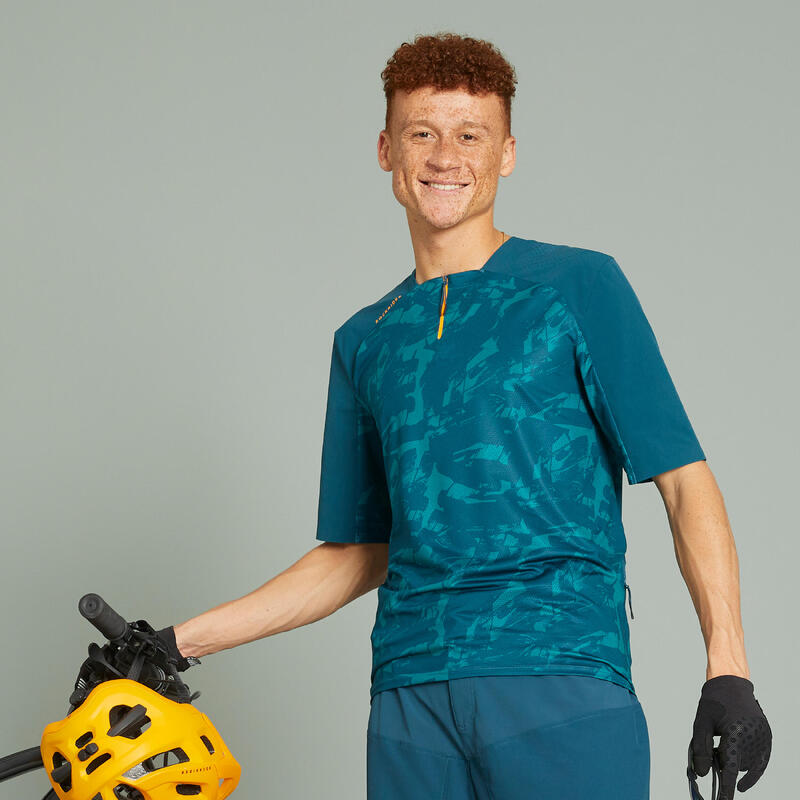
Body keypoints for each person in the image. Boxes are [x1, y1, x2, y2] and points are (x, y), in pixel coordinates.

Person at [145, 33, 771, 800]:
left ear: (507, 153)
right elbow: (359, 553)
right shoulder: (365, 339)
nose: (446, 157)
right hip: (409, 703)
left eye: (470, 135)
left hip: (558, 677)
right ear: (387, 150)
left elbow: (681, 479)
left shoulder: (577, 287)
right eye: (422, 133)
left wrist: (728, 669)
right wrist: (176, 642)